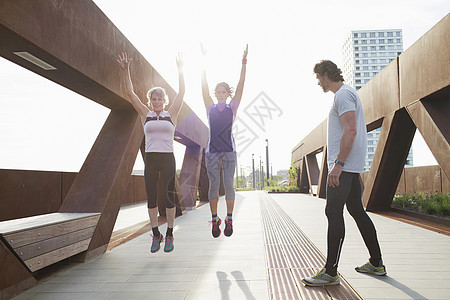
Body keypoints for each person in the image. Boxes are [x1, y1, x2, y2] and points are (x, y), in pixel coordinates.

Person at [302, 60, 386, 286]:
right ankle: (376, 263)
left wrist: (338, 165)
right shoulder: (348, 94)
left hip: (344, 167)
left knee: (333, 212)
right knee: (357, 211)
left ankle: (330, 272)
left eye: (319, 77)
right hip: (351, 167)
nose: (318, 82)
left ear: (327, 74)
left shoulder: (342, 95)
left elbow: (350, 129)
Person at [117, 52, 185, 253]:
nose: (156, 102)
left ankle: (170, 233)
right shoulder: (144, 115)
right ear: (150, 101)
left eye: (160, 99)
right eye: (154, 99)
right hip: (151, 160)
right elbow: (130, 93)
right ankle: (156, 235)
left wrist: (181, 70)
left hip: (167, 160)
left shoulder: (170, 114)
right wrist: (126, 70)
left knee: (169, 197)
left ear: (165, 101)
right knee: (152, 199)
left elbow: (181, 93)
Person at [201, 44, 248, 238]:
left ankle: (229, 218)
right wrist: (202, 61)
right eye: (218, 92)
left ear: (228, 94)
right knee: (213, 185)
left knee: (228, 184)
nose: (221, 94)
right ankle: (214, 219)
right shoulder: (209, 107)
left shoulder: (232, 107)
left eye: (224, 92)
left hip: (229, 151)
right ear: (215, 94)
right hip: (212, 151)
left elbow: (241, 84)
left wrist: (244, 62)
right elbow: (202, 86)